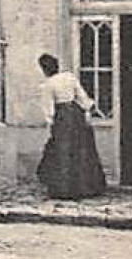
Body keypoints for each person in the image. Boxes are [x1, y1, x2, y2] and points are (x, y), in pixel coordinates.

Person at [35, 53, 107, 199]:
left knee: (63, 152)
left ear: (44, 69)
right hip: (76, 114)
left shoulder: (48, 85)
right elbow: (81, 95)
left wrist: (51, 123)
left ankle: (65, 189)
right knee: (81, 149)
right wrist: (88, 108)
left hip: (62, 117)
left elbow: (48, 108)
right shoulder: (69, 77)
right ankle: (87, 187)